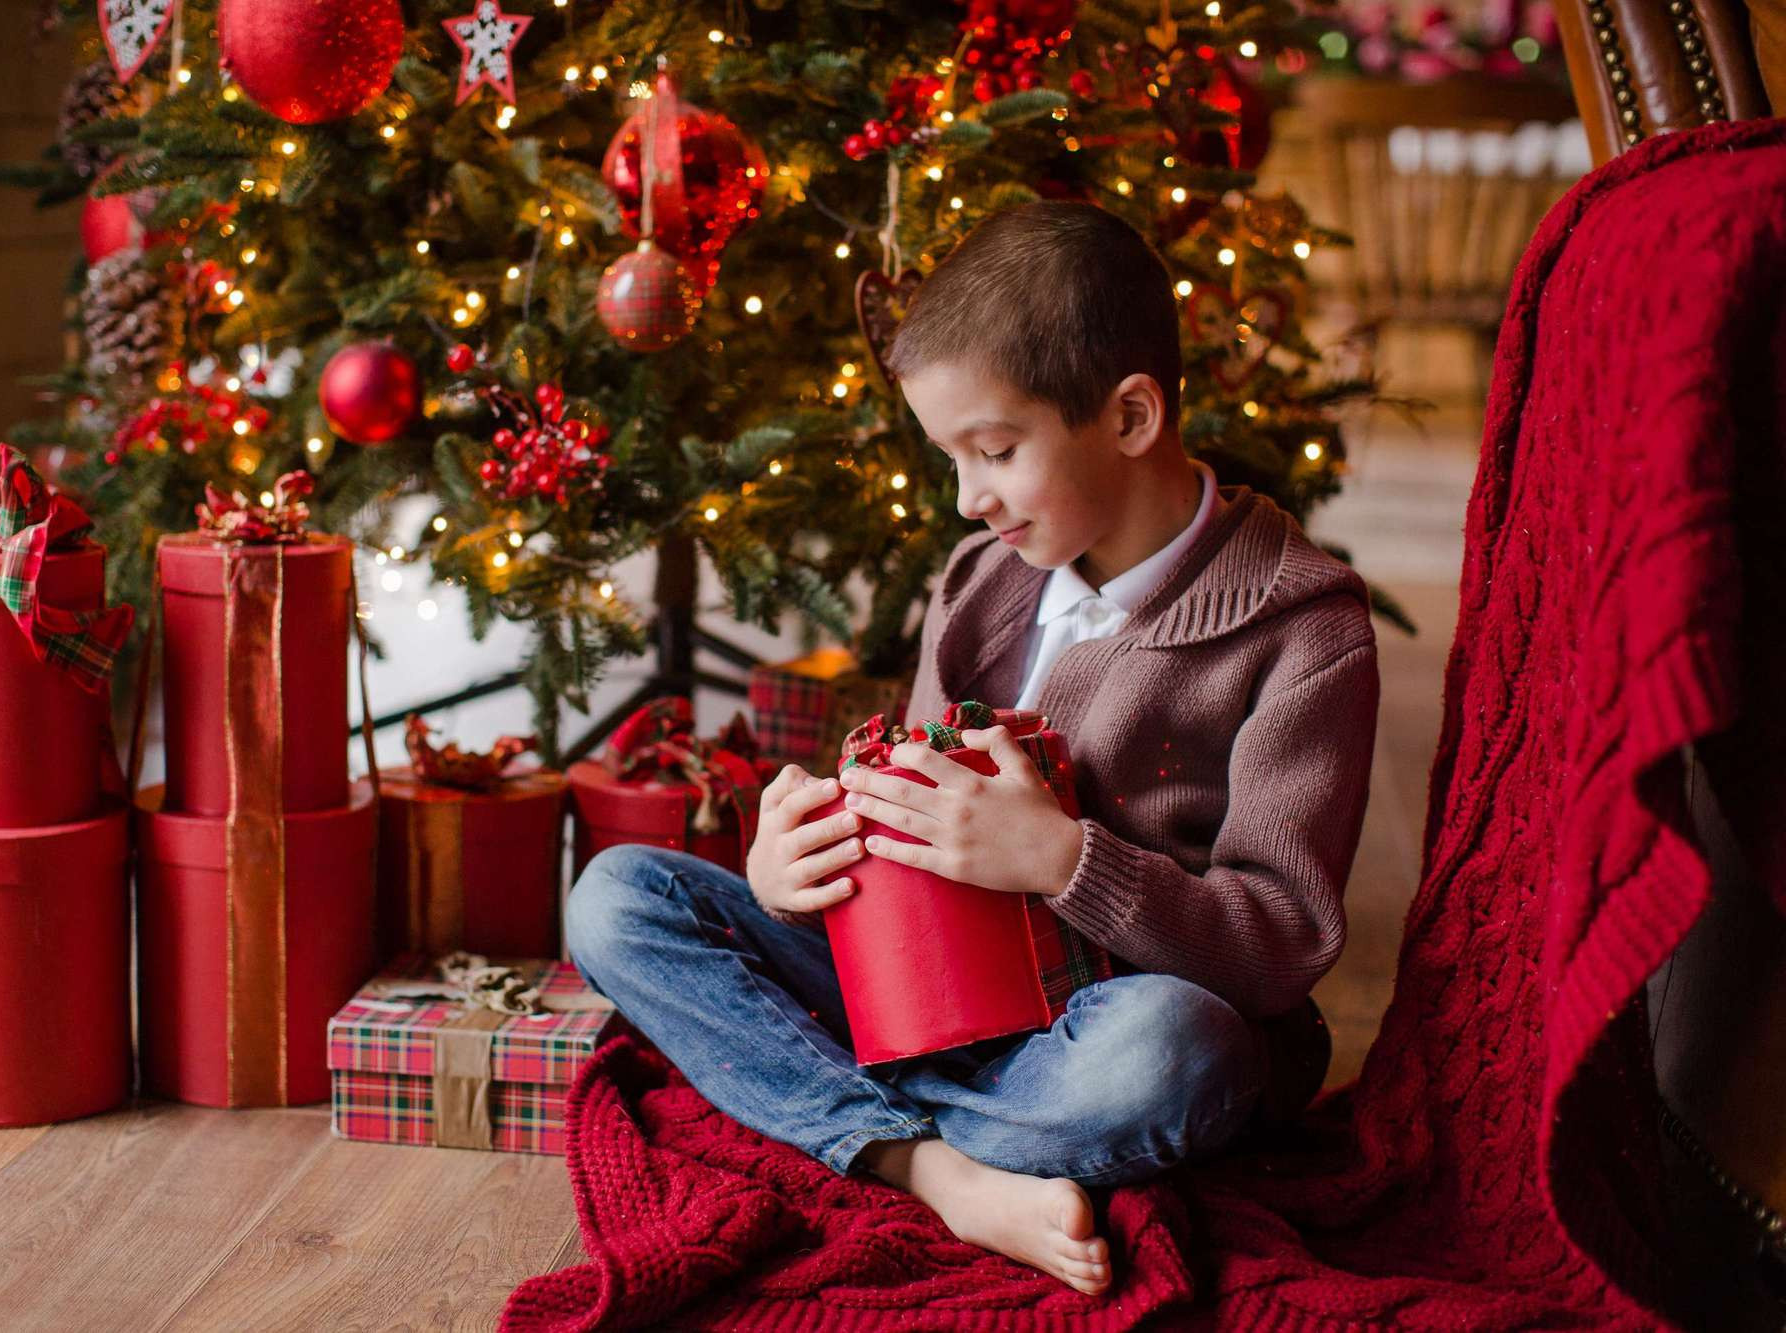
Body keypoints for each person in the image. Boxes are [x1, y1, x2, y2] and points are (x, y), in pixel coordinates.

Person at [566, 201, 1379, 1296]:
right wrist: (800, 872)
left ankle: (847, 1118)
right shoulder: (982, 582)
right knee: (616, 896)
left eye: (993, 451)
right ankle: (938, 1166)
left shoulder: (1301, 633)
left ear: (1130, 414)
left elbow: (1280, 944)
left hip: (1104, 1029)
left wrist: (1063, 862)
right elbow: (901, 840)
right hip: (929, 1001)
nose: (966, 497)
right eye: (950, 457)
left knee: (1179, 1051)